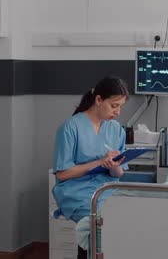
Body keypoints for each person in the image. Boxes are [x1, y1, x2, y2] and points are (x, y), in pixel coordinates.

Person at [51, 76, 129, 259]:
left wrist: (114, 166)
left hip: (106, 187)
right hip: (75, 190)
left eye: (120, 106)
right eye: (114, 105)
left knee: (127, 212)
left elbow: (118, 173)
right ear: (99, 99)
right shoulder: (70, 128)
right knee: (96, 222)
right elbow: (62, 174)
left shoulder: (117, 129)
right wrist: (99, 162)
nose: (118, 112)